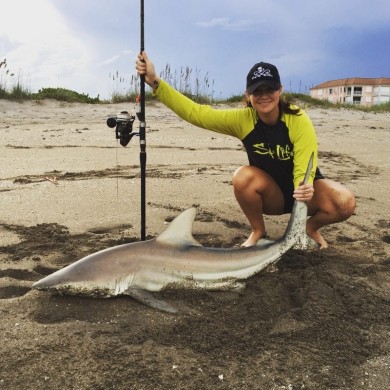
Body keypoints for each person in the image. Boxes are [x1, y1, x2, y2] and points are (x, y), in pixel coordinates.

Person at [136, 52, 356, 249]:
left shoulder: (297, 119)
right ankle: (258, 231)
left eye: (269, 89)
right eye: (256, 91)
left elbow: (305, 166)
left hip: (306, 191)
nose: (263, 96)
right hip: (273, 195)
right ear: (248, 95)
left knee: (345, 201)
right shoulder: (244, 120)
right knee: (242, 177)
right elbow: (197, 114)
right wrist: (156, 82)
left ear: (279, 89)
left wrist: (304, 187)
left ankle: (310, 228)